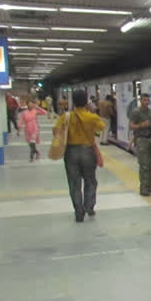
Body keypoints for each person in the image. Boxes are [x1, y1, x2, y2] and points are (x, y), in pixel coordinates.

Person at [54, 90, 105, 222]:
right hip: (87, 151)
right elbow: (101, 127)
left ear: (73, 102)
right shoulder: (91, 117)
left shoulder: (66, 116)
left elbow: (56, 131)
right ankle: (89, 207)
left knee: (74, 183)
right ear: (86, 102)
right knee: (90, 181)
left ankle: (78, 211)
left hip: (70, 152)